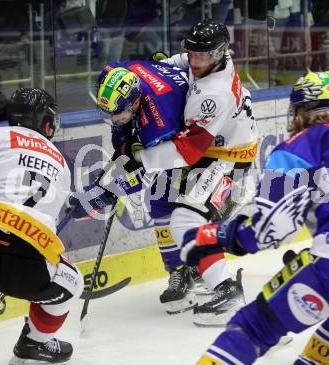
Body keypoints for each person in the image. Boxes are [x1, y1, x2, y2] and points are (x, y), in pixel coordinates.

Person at [180, 70, 329, 364]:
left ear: (301, 109)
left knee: (254, 327)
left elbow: (272, 227)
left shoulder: (304, 143)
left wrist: (214, 236)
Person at [109, 18, 258, 326]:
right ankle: (186, 273)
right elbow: (176, 65)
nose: (195, 61)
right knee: (159, 199)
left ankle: (226, 289)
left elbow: (186, 150)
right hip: (208, 152)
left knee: (186, 218)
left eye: (202, 55)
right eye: (191, 52)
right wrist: (157, 68)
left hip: (228, 159)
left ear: (219, 54)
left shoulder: (213, 94)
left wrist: (142, 158)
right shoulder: (208, 59)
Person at [0, 88, 83, 364]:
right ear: (48, 123)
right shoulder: (61, 163)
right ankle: (35, 344)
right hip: (27, 262)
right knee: (72, 282)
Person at [73, 59, 194, 315]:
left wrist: (105, 194)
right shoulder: (115, 74)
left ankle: (194, 268)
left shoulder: (159, 122)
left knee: (168, 200)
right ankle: (181, 268)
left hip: (205, 138)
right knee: (161, 200)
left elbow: (146, 171)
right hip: (172, 105)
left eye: (118, 114)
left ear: (136, 102)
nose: (113, 119)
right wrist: (124, 139)